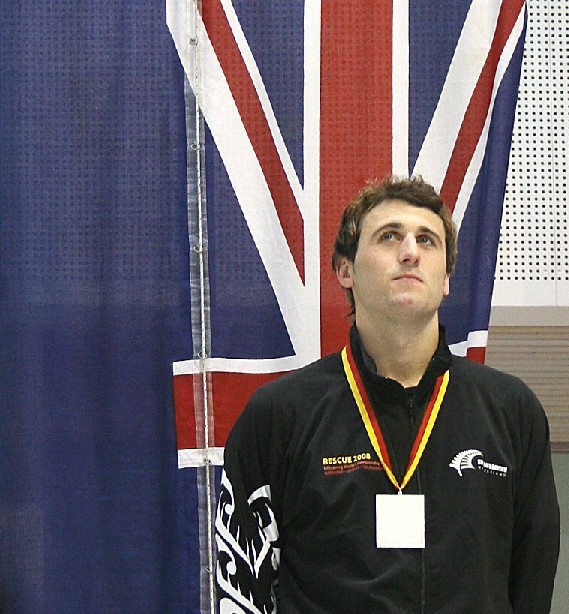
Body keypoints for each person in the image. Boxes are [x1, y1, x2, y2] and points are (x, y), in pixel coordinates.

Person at [214, 175, 560, 613]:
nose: (411, 252)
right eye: (389, 236)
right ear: (346, 270)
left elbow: (531, 584)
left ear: (447, 278)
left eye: (427, 241)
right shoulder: (280, 415)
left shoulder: (512, 413)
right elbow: (243, 588)